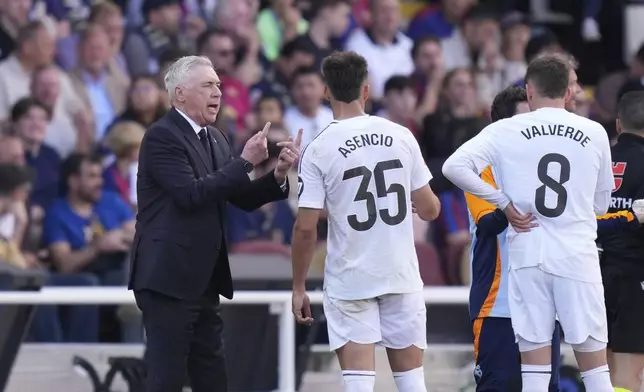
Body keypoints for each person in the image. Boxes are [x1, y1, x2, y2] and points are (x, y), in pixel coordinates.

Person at [128, 55, 301, 392]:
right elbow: (190, 195)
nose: (218, 93)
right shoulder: (162, 136)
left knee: (212, 378)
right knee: (167, 379)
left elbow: (240, 197)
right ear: (179, 94)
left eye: (219, 85)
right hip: (167, 278)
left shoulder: (217, 138)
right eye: (208, 85)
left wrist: (277, 174)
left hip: (204, 279)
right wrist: (245, 162)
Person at [442, 55, 615, 392]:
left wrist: (504, 203)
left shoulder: (506, 129)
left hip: (528, 256)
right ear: (568, 92)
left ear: (530, 89)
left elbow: (453, 167)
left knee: (534, 375)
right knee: (596, 372)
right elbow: (601, 204)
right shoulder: (594, 131)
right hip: (575, 256)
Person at [291, 51, 441, 392]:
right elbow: (430, 208)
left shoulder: (318, 149)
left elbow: (305, 228)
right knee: (412, 383)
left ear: (325, 92)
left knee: (358, 385)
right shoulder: (401, 135)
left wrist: (299, 286)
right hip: (399, 274)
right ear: (366, 90)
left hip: (350, 280)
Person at [465, 86, 562, 392]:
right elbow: (488, 224)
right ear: (500, 127)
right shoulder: (479, 167)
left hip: (545, 303)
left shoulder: (550, 170)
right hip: (498, 305)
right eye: (524, 122)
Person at [596, 91, 644, 392]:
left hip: (593, 275)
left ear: (617, 125)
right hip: (634, 279)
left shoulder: (597, 161)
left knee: (601, 373)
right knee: (630, 374)